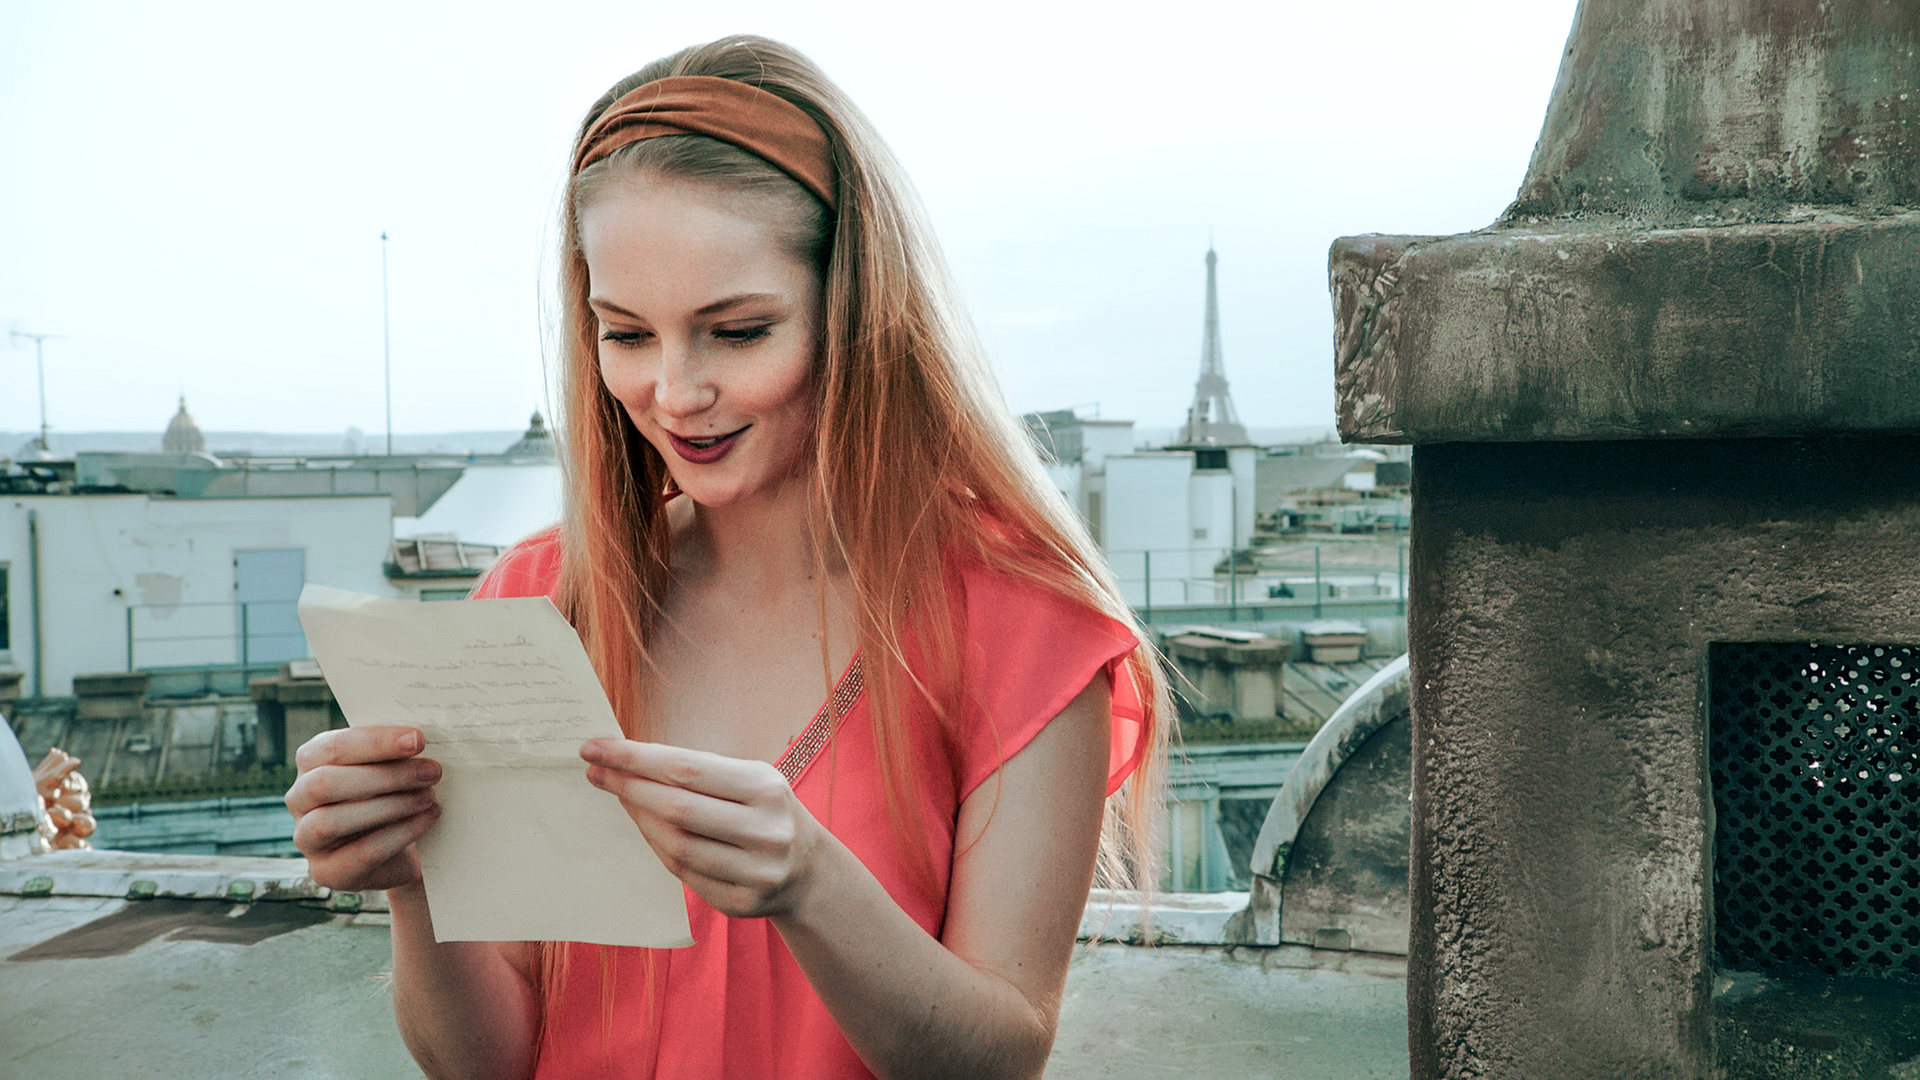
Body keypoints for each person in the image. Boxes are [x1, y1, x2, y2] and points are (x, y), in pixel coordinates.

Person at [284, 35, 1167, 1080]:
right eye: (627, 334)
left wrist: (812, 887)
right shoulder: (532, 600)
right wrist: (410, 881)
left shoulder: (1028, 631)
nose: (676, 392)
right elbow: (490, 1063)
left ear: (859, 310)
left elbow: (998, 1059)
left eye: (738, 331)